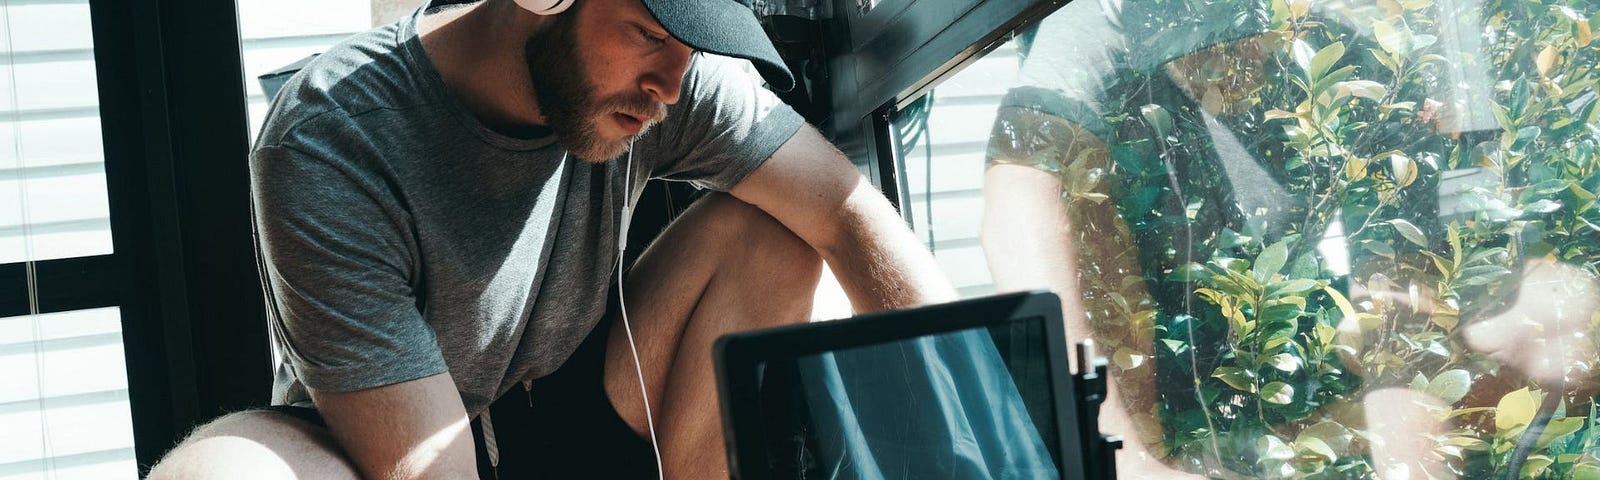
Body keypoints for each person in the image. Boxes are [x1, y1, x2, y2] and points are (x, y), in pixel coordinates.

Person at [147, 0, 955, 478]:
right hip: (376, 449)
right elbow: (431, 468)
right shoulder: (330, 138)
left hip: (557, 406)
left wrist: (995, 437)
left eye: (691, 44)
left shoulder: (677, 82)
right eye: (649, 30)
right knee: (217, 473)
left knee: (776, 233)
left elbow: (850, 214)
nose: (670, 84)